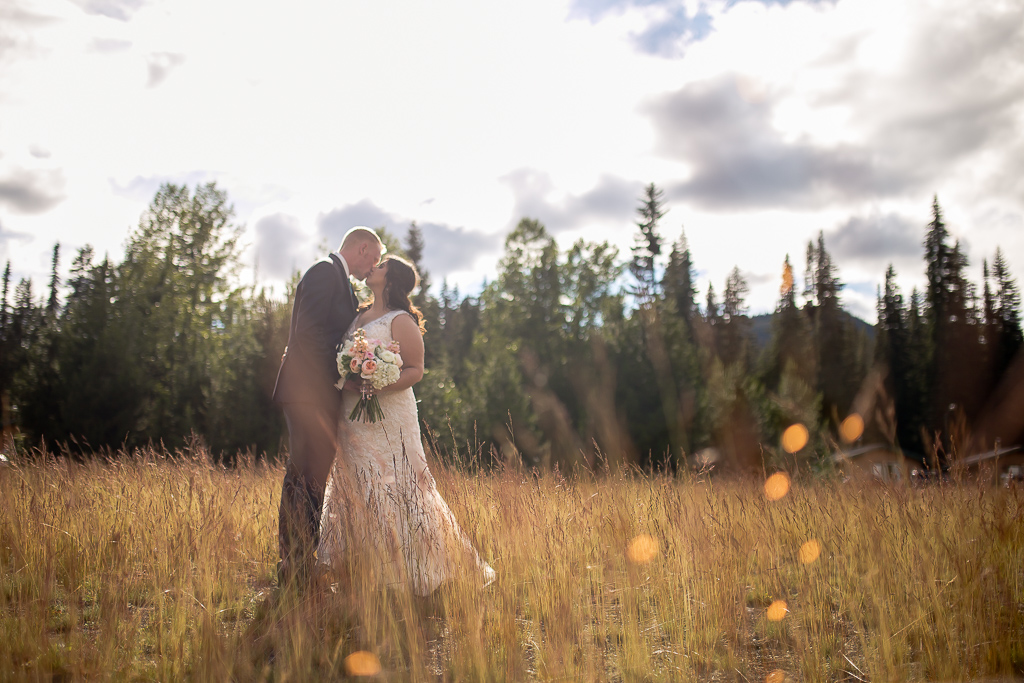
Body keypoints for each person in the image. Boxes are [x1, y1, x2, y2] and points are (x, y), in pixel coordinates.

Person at [317, 255, 495, 595]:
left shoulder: (400, 320)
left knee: (398, 483)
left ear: (393, 279)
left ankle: (408, 569)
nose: (374, 267)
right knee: (355, 480)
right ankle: (361, 568)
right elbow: (342, 361)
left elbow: (415, 369)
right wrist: (350, 380)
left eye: (381, 265)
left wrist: (379, 381)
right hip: (354, 412)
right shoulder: (357, 315)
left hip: (390, 412)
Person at [272, 226, 384, 587]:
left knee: (311, 478)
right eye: (376, 259)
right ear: (363, 248)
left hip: (319, 393)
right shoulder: (323, 272)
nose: (373, 268)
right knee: (304, 477)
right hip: (307, 391)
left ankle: (301, 561)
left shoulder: (340, 280)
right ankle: (294, 564)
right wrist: (342, 376)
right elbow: (308, 334)